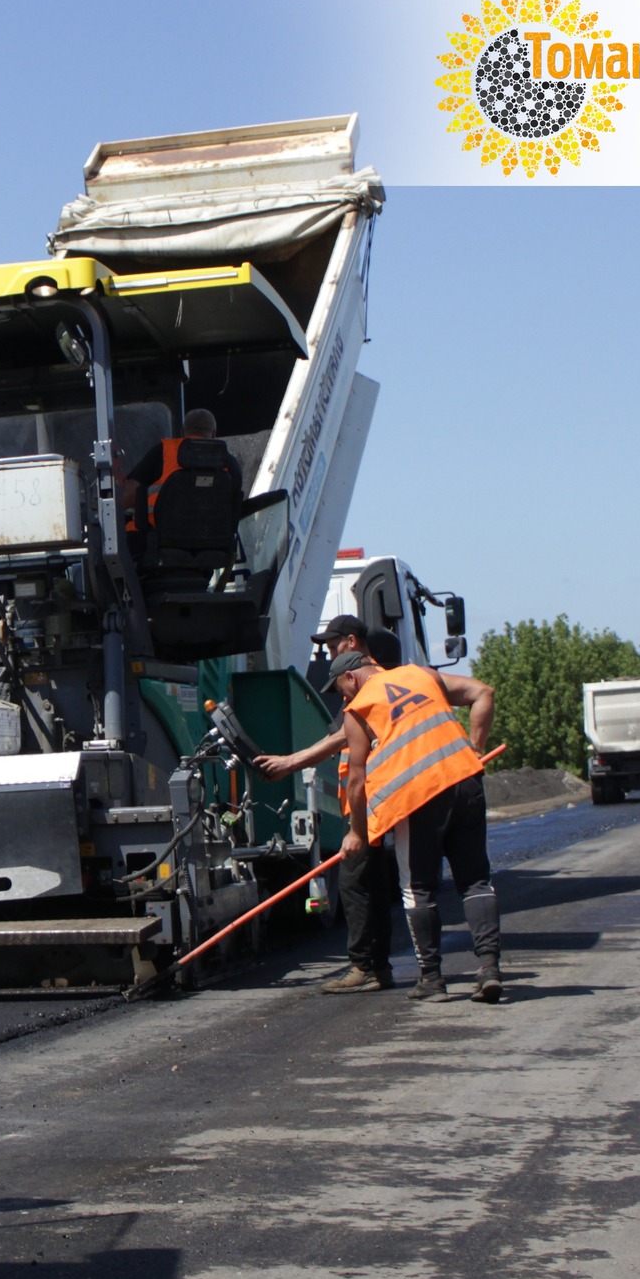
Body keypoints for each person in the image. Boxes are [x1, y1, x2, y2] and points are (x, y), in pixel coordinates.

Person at [331, 649, 502, 1003]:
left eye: (340, 690)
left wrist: (358, 833)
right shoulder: (422, 674)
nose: (343, 697)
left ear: (351, 677)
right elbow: (483, 692)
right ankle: (489, 968)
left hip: (418, 797)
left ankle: (432, 979)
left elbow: (357, 780)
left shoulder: (358, 708)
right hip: (465, 779)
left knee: (417, 889)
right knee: (476, 881)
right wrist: (476, 747)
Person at [255, 614, 404, 993]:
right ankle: (378, 967)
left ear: (351, 642)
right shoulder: (378, 683)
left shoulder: (367, 687)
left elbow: (340, 739)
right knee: (371, 886)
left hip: (369, 803)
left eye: (333, 646)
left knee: (355, 885)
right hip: (374, 802)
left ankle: (364, 968)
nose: (329, 655)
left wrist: (290, 762)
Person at [123, 408, 232, 533]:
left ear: (182, 432)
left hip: (158, 537)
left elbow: (128, 495)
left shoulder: (162, 451)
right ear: (214, 434)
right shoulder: (227, 461)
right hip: (213, 538)